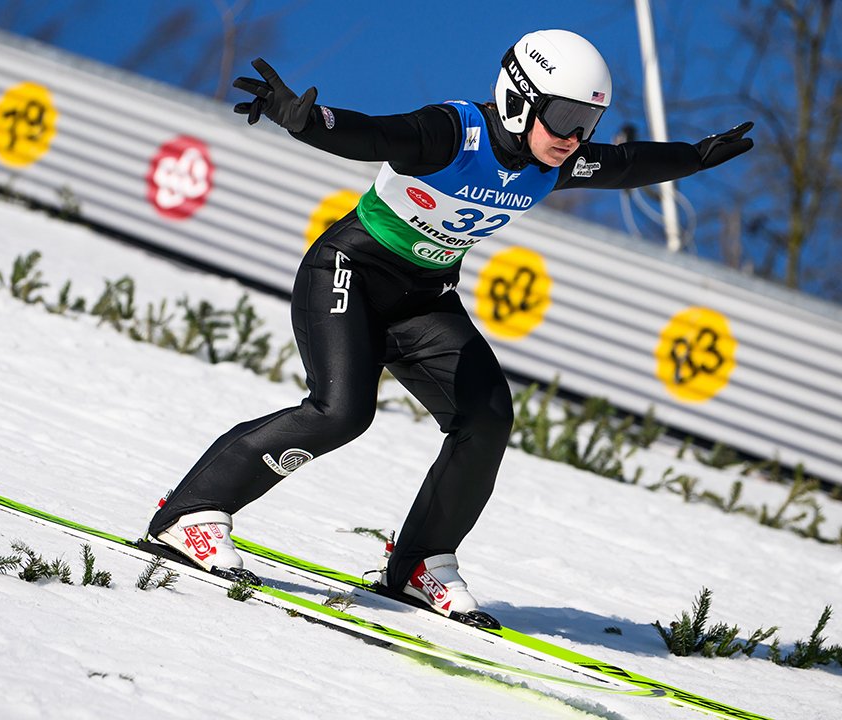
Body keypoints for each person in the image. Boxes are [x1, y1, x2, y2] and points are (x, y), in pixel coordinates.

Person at [145, 29, 753, 627]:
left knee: (486, 417)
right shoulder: (451, 134)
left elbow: (625, 164)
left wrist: (697, 157)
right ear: (519, 96)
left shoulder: (553, 160)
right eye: (563, 116)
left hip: (424, 300)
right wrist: (309, 121)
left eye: (586, 123)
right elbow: (377, 134)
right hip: (351, 270)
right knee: (341, 412)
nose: (574, 138)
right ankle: (193, 514)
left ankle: (419, 565)